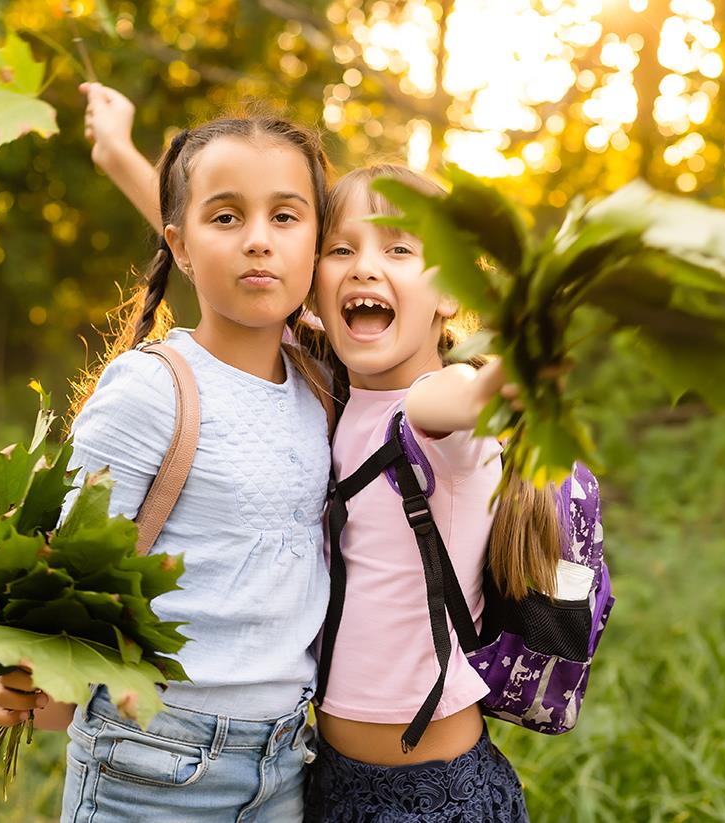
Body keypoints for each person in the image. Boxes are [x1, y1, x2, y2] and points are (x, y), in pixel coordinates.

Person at [0, 107, 336, 821]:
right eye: (227, 218)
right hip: (149, 763)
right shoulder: (153, 388)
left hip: (285, 765)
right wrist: (25, 668)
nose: (259, 242)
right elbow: (61, 567)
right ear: (178, 244)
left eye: (286, 217)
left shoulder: (326, 385)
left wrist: (118, 148)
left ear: (318, 241)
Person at [304, 165, 549, 821]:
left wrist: (503, 376)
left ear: (450, 291)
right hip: (332, 784)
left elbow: (457, 397)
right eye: (341, 248)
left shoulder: (430, 412)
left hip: (435, 800)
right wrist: (123, 154)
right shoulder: (330, 400)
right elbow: (220, 257)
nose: (364, 267)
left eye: (399, 249)